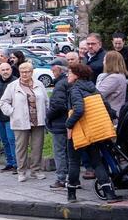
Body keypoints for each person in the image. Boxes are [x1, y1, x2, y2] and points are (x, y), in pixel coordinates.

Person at [64, 63, 121, 203]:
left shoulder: (75, 90)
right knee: (97, 162)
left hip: (79, 131)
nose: (67, 75)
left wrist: (68, 124)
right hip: (94, 132)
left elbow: (79, 110)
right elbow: (106, 106)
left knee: (73, 162)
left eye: (70, 73)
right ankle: (109, 194)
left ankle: (71, 195)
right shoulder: (92, 87)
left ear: (76, 75)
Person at [0, 61, 49, 183]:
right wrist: (12, 112)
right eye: (22, 72)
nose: (25, 74)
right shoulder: (12, 86)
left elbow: (46, 101)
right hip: (20, 121)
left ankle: (35, 170)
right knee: (21, 147)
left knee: (37, 147)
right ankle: (21, 171)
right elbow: (3, 102)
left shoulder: (39, 84)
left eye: (27, 72)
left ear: (32, 72)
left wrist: (46, 114)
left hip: (38, 121)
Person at [46, 57, 74, 190]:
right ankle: (72, 179)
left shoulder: (60, 84)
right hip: (68, 122)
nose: (51, 70)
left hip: (60, 123)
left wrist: (48, 117)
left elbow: (57, 105)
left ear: (59, 68)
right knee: (69, 152)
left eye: (53, 67)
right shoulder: (69, 81)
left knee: (60, 152)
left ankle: (61, 179)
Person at [0, 62, 18, 172]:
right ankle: (9, 162)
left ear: (11, 70)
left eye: (7, 69)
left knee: (12, 140)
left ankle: (16, 164)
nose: (5, 72)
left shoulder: (16, 82)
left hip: (11, 117)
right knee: (4, 140)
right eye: (3, 70)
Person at [96, 50, 128, 116]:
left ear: (110, 62)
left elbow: (98, 94)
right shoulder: (120, 75)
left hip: (110, 113)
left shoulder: (114, 78)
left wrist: (100, 79)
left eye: (104, 60)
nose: (103, 62)